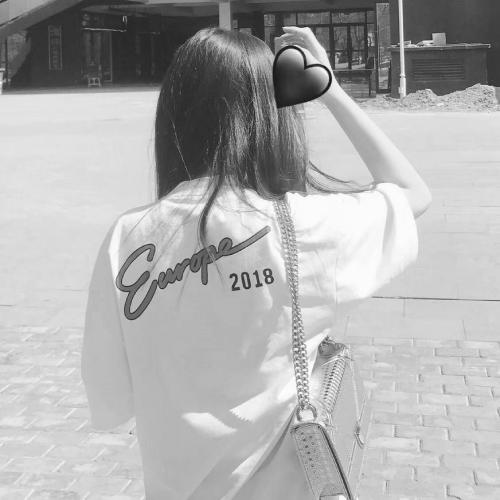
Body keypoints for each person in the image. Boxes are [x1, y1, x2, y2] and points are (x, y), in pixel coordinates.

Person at [80, 25, 431, 500]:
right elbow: (412, 193)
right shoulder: (301, 225)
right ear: (272, 117)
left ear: (174, 118)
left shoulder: (128, 237)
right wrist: (328, 88)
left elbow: (111, 398)